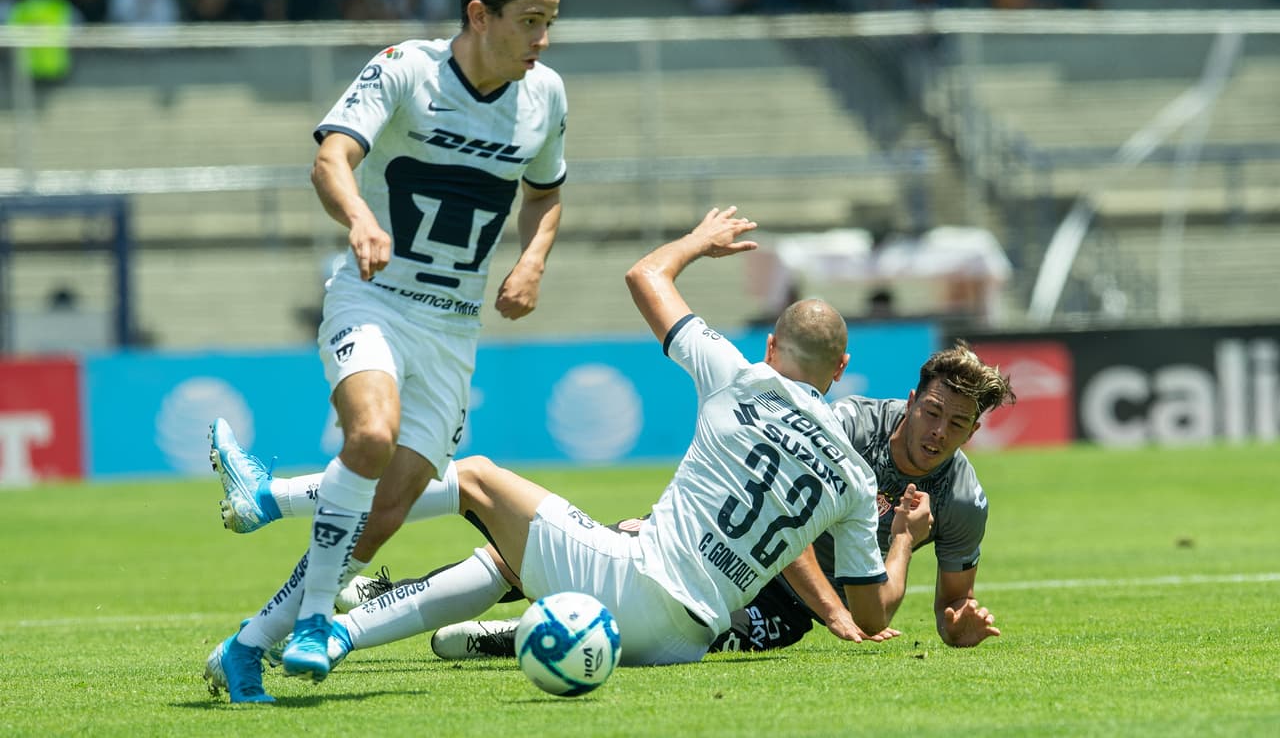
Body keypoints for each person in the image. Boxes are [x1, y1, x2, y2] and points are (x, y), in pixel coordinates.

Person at [206, 206, 932, 699]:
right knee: (505, 559)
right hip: (687, 636)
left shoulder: (739, 374)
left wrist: (699, 241)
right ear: (840, 373)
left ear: (773, 348)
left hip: (635, 581)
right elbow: (869, 616)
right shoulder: (847, 471)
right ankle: (335, 635)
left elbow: (645, 275)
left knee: (481, 478)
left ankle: (274, 497)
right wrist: (902, 542)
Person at [203, 0, 568, 703]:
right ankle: (311, 622)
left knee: (383, 514)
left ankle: (245, 640)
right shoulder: (406, 68)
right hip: (374, 298)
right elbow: (331, 158)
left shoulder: (547, 96)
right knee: (368, 435)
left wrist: (532, 258)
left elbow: (544, 193)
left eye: (550, 22)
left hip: (453, 329)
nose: (542, 39)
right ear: (479, 14)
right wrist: (362, 217)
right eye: (530, 20)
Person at [423, 338, 1011, 659]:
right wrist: (839, 606)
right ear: (912, 401)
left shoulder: (963, 499)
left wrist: (955, 627)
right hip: (714, 547)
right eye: (932, 412)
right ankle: (397, 592)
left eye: (957, 424)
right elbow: (790, 525)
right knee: (544, 556)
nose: (938, 432)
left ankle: (512, 638)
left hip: (784, 608)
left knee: (692, 635)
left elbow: (949, 605)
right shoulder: (847, 428)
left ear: (973, 432)